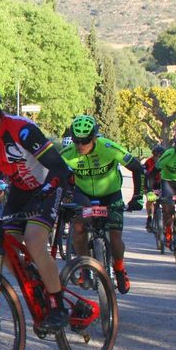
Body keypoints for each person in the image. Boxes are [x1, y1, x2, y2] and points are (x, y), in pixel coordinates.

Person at [0, 84, 74, 332]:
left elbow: (59, 168)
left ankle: (58, 306)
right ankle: (35, 281)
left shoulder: (23, 131)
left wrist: (46, 191)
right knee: (4, 242)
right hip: (20, 190)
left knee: (34, 240)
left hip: (49, 185)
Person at [58, 115, 144, 294]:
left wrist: (137, 196)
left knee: (115, 237)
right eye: (76, 140)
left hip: (110, 194)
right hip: (84, 195)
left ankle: (119, 269)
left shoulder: (108, 148)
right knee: (79, 229)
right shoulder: (67, 154)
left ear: (94, 137)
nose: (80, 145)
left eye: (85, 140)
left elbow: (137, 167)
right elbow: (54, 177)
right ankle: (85, 268)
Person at [143, 143, 164, 232]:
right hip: (150, 183)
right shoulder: (148, 162)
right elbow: (144, 174)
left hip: (162, 183)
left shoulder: (164, 162)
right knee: (150, 199)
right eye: (156, 155)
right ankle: (149, 217)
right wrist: (146, 189)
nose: (157, 157)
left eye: (160, 156)